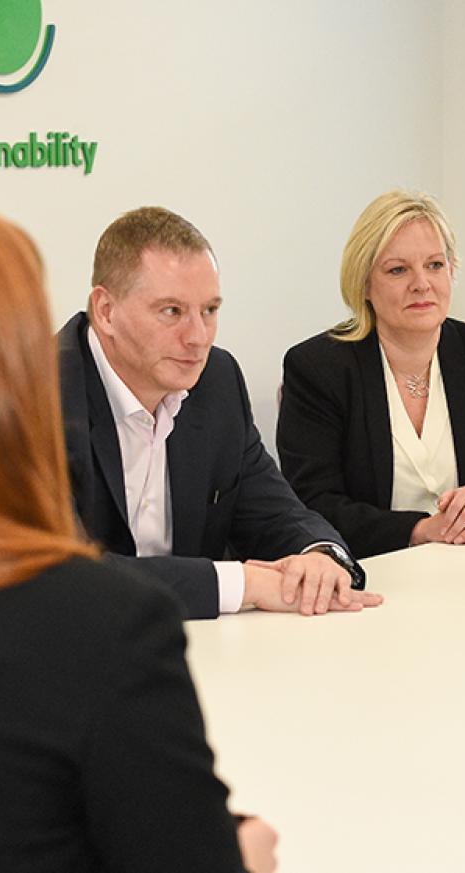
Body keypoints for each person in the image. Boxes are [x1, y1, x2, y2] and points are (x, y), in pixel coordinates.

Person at [0, 198, 277, 872]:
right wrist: (241, 855)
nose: (197, 334)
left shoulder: (217, 389)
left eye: (208, 310)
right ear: (3, 366)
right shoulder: (102, 629)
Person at [60, 206, 383, 619]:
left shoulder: (217, 380)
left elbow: (272, 509)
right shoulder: (35, 398)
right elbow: (65, 579)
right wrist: (244, 583)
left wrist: (318, 557)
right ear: (106, 311)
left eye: (210, 310)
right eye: (172, 311)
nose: (198, 338)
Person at [277, 190, 465, 559]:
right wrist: (421, 529)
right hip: (375, 572)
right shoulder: (318, 368)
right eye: (398, 270)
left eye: (434, 265)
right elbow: (313, 504)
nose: (421, 284)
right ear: (363, 283)